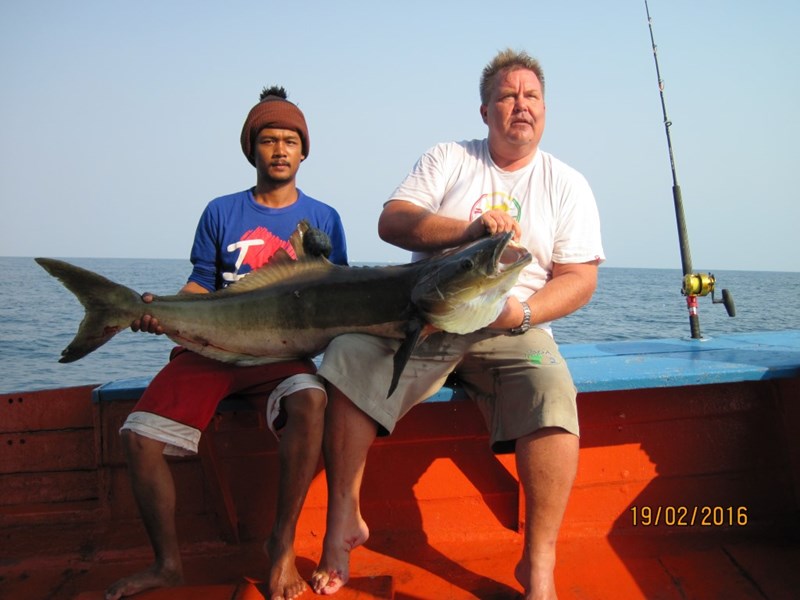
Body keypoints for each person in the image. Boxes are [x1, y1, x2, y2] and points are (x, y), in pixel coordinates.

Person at [310, 49, 604, 600]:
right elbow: (392, 221)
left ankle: (538, 566)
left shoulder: (567, 184)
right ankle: (342, 523)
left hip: (510, 325)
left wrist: (524, 313)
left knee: (553, 392)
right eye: (507, 95)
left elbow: (580, 277)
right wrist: (465, 231)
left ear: (546, 108)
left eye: (532, 95)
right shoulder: (448, 157)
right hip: (426, 319)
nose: (521, 104)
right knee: (346, 356)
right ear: (485, 110)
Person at [104, 86, 348, 600]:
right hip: (213, 349)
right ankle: (167, 565)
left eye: (289, 140)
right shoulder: (221, 211)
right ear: (251, 150)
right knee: (137, 436)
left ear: (304, 151)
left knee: (312, 401)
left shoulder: (324, 218)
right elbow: (200, 283)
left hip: (281, 352)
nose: (279, 150)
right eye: (267, 140)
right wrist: (162, 308)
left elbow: (339, 295)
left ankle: (280, 551)